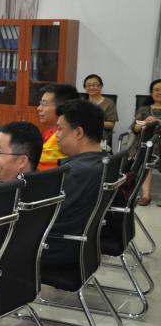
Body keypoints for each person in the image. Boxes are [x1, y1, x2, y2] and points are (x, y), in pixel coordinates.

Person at [39, 100, 107, 268]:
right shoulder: (103, 161)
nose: (56, 135)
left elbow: (44, 218)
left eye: (60, 129)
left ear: (78, 132)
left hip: (56, 249)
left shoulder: (76, 172)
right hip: (83, 248)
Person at [35, 84, 80, 171]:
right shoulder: (49, 131)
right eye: (40, 104)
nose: (39, 108)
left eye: (44, 104)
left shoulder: (63, 139)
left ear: (62, 107)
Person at [130, 79, 161, 205]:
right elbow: (135, 128)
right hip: (146, 142)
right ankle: (146, 195)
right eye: (156, 90)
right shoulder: (144, 109)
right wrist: (146, 123)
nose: (159, 92)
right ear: (151, 92)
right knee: (146, 157)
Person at [83, 74, 118, 147]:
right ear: (85, 88)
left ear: (101, 86)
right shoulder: (81, 103)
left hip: (100, 139)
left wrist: (93, 122)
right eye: (88, 85)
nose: (91, 87)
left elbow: (111, 124)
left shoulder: (109, 103)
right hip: (82, 137)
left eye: (95, 85)